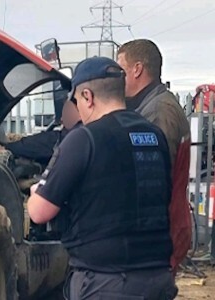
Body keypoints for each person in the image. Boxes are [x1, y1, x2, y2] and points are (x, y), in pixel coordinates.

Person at [27, 56, 177, 299]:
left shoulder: (83, 139)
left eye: (76, 101)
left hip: (106, 284)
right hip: (158, 279)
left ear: (88, 96)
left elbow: (39, 212)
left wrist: (36, 192)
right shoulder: (154, 135)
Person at [117, 39, 192, 275]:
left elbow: (153, 178)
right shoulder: (148, 107)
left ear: (137, 69)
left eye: (121, 69)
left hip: (161, 232)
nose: (117, 79)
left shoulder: (160, 111)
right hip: (159, 230)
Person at [5, 100, 81, 166]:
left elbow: (38, 144)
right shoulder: (84, 137)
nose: (61, 119)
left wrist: (7, 147)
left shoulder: (69, 138)